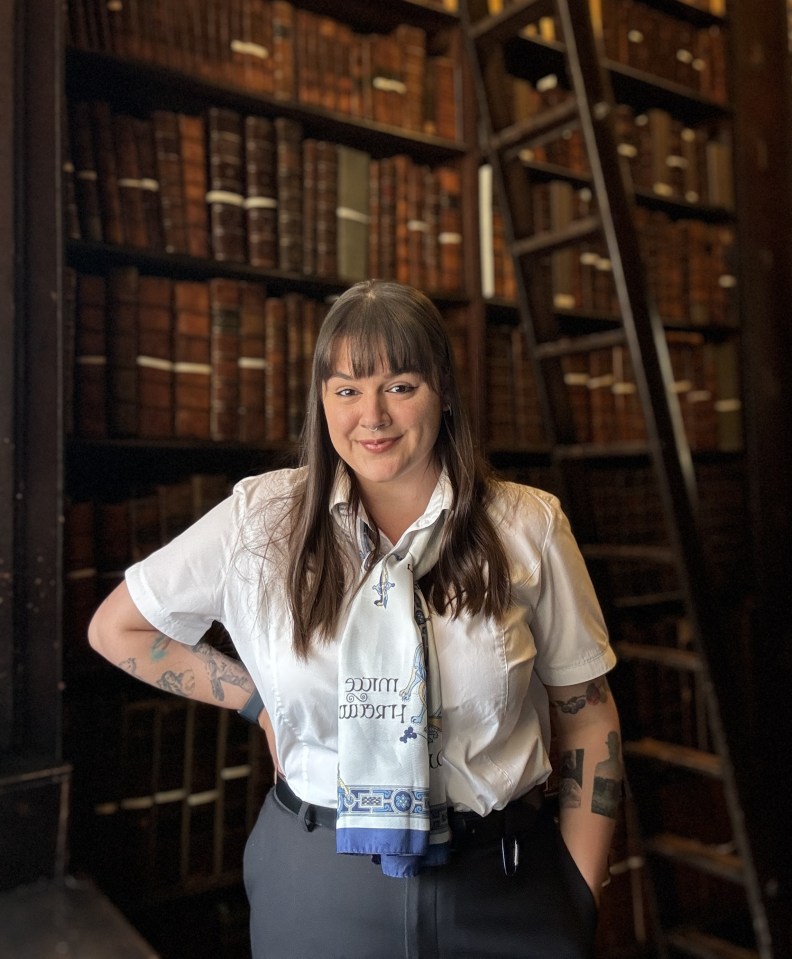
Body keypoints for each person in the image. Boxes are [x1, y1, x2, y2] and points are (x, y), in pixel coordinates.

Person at [88, 279, 621, 959]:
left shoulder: (527, 524)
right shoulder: (258, 521)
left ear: (443, 391)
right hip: (318, 883)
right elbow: (117, 629)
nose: (372, 415)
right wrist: (257, 703)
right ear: (322, 400)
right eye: (346, 389)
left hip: (506, 882)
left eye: (400, 386)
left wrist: (579, 891)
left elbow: (587, 714)